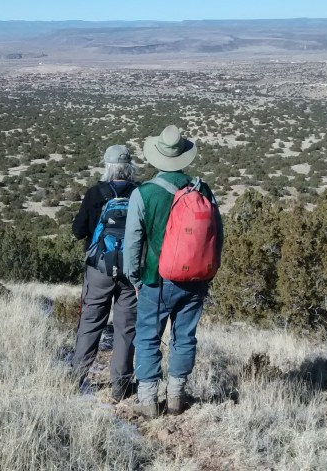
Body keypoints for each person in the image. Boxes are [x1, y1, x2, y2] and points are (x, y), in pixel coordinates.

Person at [123, 125, 224, 417]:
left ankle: (148, 401)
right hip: (196, 278)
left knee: (147, 336)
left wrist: (134, 278)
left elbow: (133, 243)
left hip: (155, 279)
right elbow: (218, 233)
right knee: (185, 336)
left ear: (157, 157)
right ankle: (177, 397)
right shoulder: (202, 189)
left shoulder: (144, 194)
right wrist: (209, 270)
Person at [71, 144, 139, 402]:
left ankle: (77, 377)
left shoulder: (95, 194)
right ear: (130, 168)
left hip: (98, 268)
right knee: (126, 327)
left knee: (90, 322)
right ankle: (120, 386)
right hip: (130, 271)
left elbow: (78, 231)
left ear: (107, 167)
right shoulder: (139, 194)